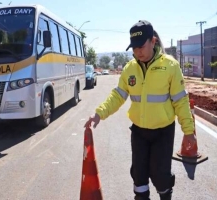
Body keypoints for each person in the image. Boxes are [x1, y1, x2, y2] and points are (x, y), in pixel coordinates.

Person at [84, 20, 197, 200]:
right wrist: (99, 114)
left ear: (153, 41)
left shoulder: (170, 66)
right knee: (139, 176)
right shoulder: (130, 68)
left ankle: (165, 194)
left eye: (141, 46)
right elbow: (118, 96)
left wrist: (188, 132)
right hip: (139, 132)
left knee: (161, 176)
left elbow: (181, 101)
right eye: (134, 48)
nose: (137, 52)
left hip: (163, 132)